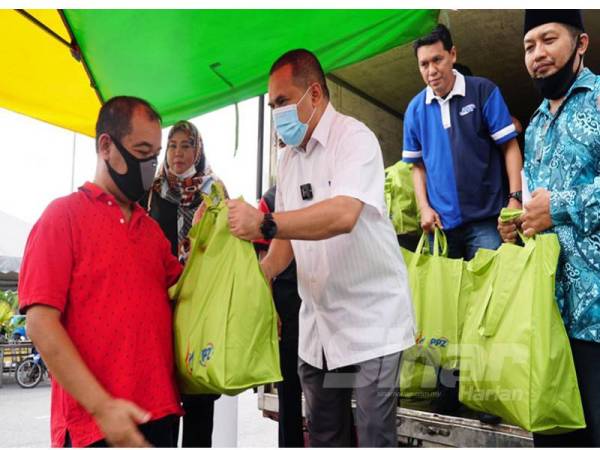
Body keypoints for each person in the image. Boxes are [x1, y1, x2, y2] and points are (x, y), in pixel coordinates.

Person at [226, 48, 415, 447]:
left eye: (282, 101)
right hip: (320, 329)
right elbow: (283, 249)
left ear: (314, 94)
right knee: (325, 435)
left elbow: (344, 214)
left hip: (371, 325)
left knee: (374, 436)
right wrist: (249, 284)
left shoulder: (355, 139)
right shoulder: (289, 159)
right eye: (271, 104)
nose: (276, 112)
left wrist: (264, 222)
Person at [18, 96, 183, 448]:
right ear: (106, 146)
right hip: (93, 427)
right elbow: (40, 322)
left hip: (160, 415)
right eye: (141, 151)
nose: (150, 165)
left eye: (155, 155)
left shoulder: (151, 231)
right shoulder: (62, 218)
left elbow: (186, 291)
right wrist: (103, 407)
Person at [402, 23, 523, 416]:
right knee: (444, 313)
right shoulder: (415, 110)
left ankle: (488, 398)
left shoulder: (483, 91)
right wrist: (423, 206)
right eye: (424, 64)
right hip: (442, 229)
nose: (431, 69)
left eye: (437, 59)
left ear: (453, 55)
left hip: (486, 221)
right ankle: (449, 398)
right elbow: (415, 167)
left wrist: (514, 199)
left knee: (487, 308)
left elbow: (509, 146)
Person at [499, 10, 599, 446]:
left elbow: (554, 206)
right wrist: (520, 226)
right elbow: (537, 213)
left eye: (548, 40)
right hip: (547, 317)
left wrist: (556, 206)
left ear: (580, 44)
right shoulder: (535, 127)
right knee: (553, 437)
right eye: (528, 46)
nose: (537, 54)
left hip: (595, 321)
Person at [143, 120, 226, 447]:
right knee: (161, 400)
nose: (178, 153)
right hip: (159, 306)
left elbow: (225, 248)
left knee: (198, 401)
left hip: (199, 306)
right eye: (173, 145)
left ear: (199, 150)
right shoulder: (151, 191)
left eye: (186, 145)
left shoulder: (215, 191)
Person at [254, 185, 304, 448]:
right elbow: (264, 259)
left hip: (318, 298)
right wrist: (270, 310)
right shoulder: (271, 199)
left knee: (331, 385)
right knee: (289, 386)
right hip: (285, 301)